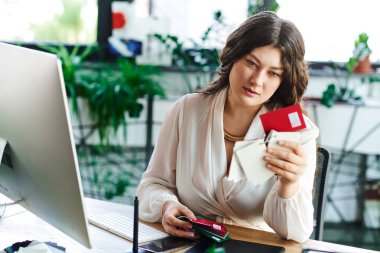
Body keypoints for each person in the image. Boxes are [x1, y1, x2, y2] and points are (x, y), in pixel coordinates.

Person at [136, 11, 319, 243]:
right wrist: (166, 205)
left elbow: (295, 234)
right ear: (233, 56)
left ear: (283, 79)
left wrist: (289, 185)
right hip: (186, 243)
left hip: (256, 247)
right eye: (251, 63)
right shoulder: (187, 110)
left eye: (273, 73)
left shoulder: (295, 132)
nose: (257, 80)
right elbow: (151, 185)